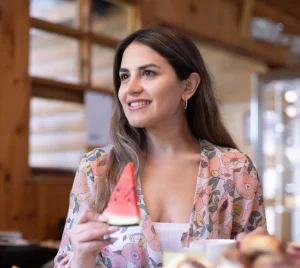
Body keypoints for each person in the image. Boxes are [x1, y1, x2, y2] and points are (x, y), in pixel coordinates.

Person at [54, 27, 266, 268]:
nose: (130, 88)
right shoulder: (96, 168)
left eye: (148, 73)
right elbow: (66, 262)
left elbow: (259, 259)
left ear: (188, 86)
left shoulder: (235, 170)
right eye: (124, 76)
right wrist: (82, 255)